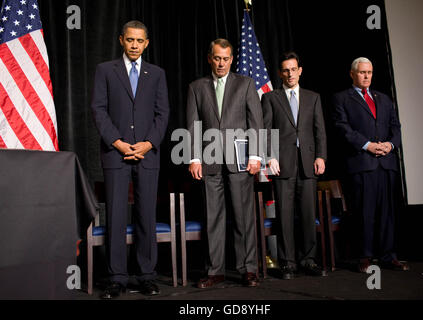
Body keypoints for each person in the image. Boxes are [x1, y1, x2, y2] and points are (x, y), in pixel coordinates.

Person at [91, 20, 170, 299]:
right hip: (116, 153)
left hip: (148, 154)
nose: (135, 45)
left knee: (146, 215)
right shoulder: (105, 70)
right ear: (121, 40)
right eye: (130, 40)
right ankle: (116, 278)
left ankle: (146, 275)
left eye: (140, 41)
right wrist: (119, 143)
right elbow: (99, 110)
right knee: (115, 214)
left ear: (146, 43)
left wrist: (148, 144)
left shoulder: (157, 74)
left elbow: (163, 114)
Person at [186, 38, 264, 288]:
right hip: (209, 161)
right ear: (210, 58)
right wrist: (194, 157)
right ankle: (214, 270)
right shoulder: (196, 87)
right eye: (217, 58)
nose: (221, 63)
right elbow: (193, 124)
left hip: (240, 161)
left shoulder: (246, 84)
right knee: (213, 218)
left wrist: (255, 156)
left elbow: (256, 122)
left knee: (244, 218)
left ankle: (248, 269)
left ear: (232, 59)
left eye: (226, 58)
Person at [332, 57, 409, 272]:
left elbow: (396, 127)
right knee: (364, 213)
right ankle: (364, 256)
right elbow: (342, 128)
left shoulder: (384, 99)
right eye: (362, 72)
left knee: (388, 213)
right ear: (352, 74)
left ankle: (388, 255)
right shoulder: (342, 99)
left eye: (370, 72)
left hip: (386, 163)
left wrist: (390, 145)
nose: (366, 76)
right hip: (362, 164)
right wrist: (367, 145)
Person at [261, 52, 327, 279]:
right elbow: (266, 130)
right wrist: (270, 157)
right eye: (285, 70)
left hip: (309, 164)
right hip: (282, 165)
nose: (290, 74)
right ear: (280, 73)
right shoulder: (271, 98)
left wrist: (321, 156)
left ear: (300, 70)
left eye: (293, 69)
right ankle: (287, 263)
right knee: (284, 215)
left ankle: (308, 260)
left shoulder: (313, 97)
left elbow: (320, 130)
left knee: (308, 214)